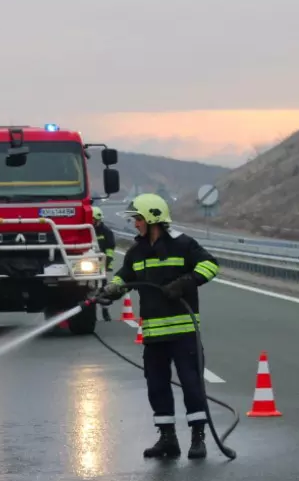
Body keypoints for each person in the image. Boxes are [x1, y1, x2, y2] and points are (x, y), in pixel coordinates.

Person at [94, 193, 220, 459]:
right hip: (153, 335)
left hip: (184, 331)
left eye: (138, 219)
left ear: (152, 218)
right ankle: (167, 439)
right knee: (157, 387)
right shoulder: (137, 252)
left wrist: (185, 282)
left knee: (191, 384)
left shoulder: (183, 245)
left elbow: (211, 265)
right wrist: (110, 291)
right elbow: (123, 278)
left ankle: (198, 438)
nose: (135, 224)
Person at [92, 206, 117, 322]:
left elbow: (110, 249)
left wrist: (107, 264)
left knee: (103, 289)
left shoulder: (106, 232)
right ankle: (90, 313)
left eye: (93, 220)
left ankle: (105, 310)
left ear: (99, 220)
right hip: (87, 264)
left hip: (102, 264)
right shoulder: (84, 229)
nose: (91, 223)